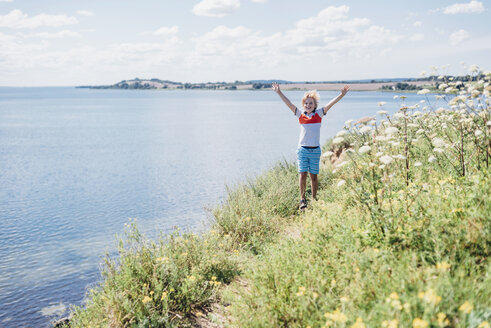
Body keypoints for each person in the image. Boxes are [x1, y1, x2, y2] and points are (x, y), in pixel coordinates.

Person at [272, 82, 350, 210]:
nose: (308, 105)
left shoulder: (319, 114)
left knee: (313, 176)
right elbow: (289, 104)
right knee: (302, 174)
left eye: (311, 103)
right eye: (306, 103)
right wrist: (279, 92)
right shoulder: (300, 114)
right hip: (302, 149)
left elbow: (331, 104)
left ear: (315, 105)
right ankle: (302, 200)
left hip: (315, 151)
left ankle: (314, 200)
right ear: (304, 104)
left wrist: (341, 95)